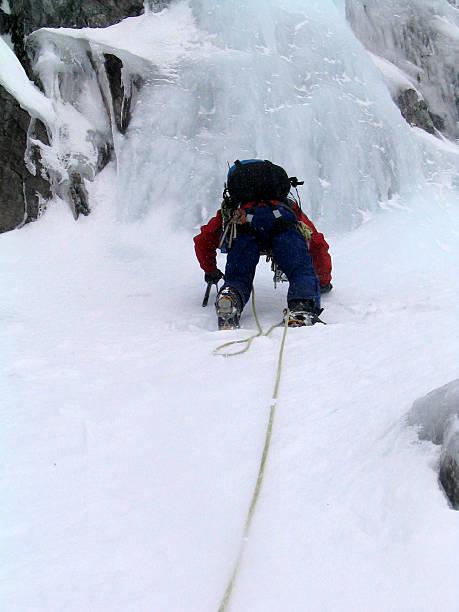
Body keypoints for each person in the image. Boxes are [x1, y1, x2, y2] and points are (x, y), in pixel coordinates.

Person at [194, 159, 332, 329]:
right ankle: (301, 307)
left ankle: (231, 297)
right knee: (300, 270)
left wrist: (211, 270)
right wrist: (323, 280)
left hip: (244, 226)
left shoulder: (233, 210)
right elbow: (317, 244)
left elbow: (203, 241)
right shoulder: (287, 205)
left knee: (238, 277)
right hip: (283, 226)